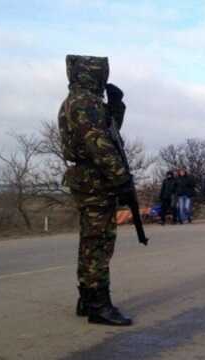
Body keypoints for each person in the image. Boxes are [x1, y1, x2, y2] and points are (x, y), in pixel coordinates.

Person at [58, 55, 132, 326]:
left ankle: (88, 298)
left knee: (92, 241)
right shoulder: (85, 102)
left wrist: (116, 108)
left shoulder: (80, 101)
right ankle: (98, 305)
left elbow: (108, 132)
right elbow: (98, 144)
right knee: (98, 243)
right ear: (93, 74)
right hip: (95, 179)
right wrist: (121, 179)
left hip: (89, 178)